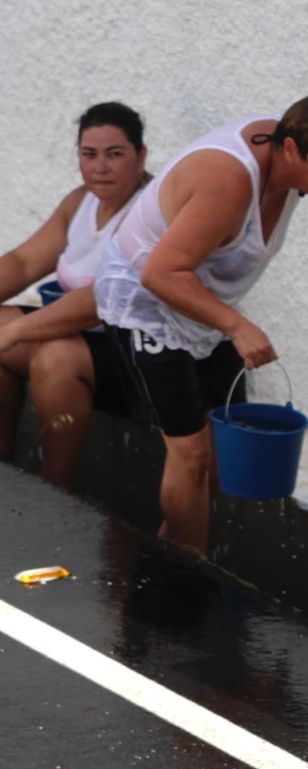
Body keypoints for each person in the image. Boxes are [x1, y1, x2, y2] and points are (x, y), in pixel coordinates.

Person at [1, 94, 308, 552]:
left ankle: (181, 551)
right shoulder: (228, 182)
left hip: (199, 311)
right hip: (144, 308)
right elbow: (160, 273)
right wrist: (238, 327)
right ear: (291, 150)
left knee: (211, 460)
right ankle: (186, 563)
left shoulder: (300, 160)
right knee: (189, 451)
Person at [0, 102, 151, 485]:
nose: (100, 166)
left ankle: (57, 490)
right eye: (90, 154)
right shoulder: (79, 202)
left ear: (141, 156)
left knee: (55, 355)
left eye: (115, 154)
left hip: (136, 356)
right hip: (76, 335)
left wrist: (18, 331)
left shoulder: (150, 212)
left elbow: (99, 303)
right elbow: (21, 262)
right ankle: (4, 469)